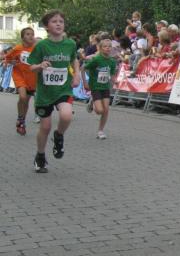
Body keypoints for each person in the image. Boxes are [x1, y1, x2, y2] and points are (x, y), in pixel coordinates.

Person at [27, 10, 80, 173]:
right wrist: (40, 66)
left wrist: (76, 75)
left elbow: (74, 60)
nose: (58, 24)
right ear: (46, 26)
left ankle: (59, 135)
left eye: (61, 21)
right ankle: (40, 156)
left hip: (63, 89)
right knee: (45, 127)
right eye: (54, 21)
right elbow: (31, 66)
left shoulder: (70, 44)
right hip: (45, 93)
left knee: (66, 115)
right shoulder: (41, 46)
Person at [3, 26, 38, 135]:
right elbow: (8, 58)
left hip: (32, 77)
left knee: (26, 101)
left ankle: (22, 121)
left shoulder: (37, 48)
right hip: (19, 75)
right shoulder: (18, 48)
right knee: (22, 97)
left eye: (32, 34)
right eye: (28, 34)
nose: (31, 36)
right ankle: (20, 118)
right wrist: (9, 63)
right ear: (23, 37)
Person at [82, 38, 117, 139]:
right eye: (105, 46)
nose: (108, 48)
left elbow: (112, 75)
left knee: (106, 110)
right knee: (100, 111)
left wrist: (115, 82)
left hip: (105, 87)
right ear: (100, 48)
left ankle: (100, 131)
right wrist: (85, 83)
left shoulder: (112, 61)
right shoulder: (96, 59)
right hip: (95, 87)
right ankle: (92, 102)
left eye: (109, 46)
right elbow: (83, 68)